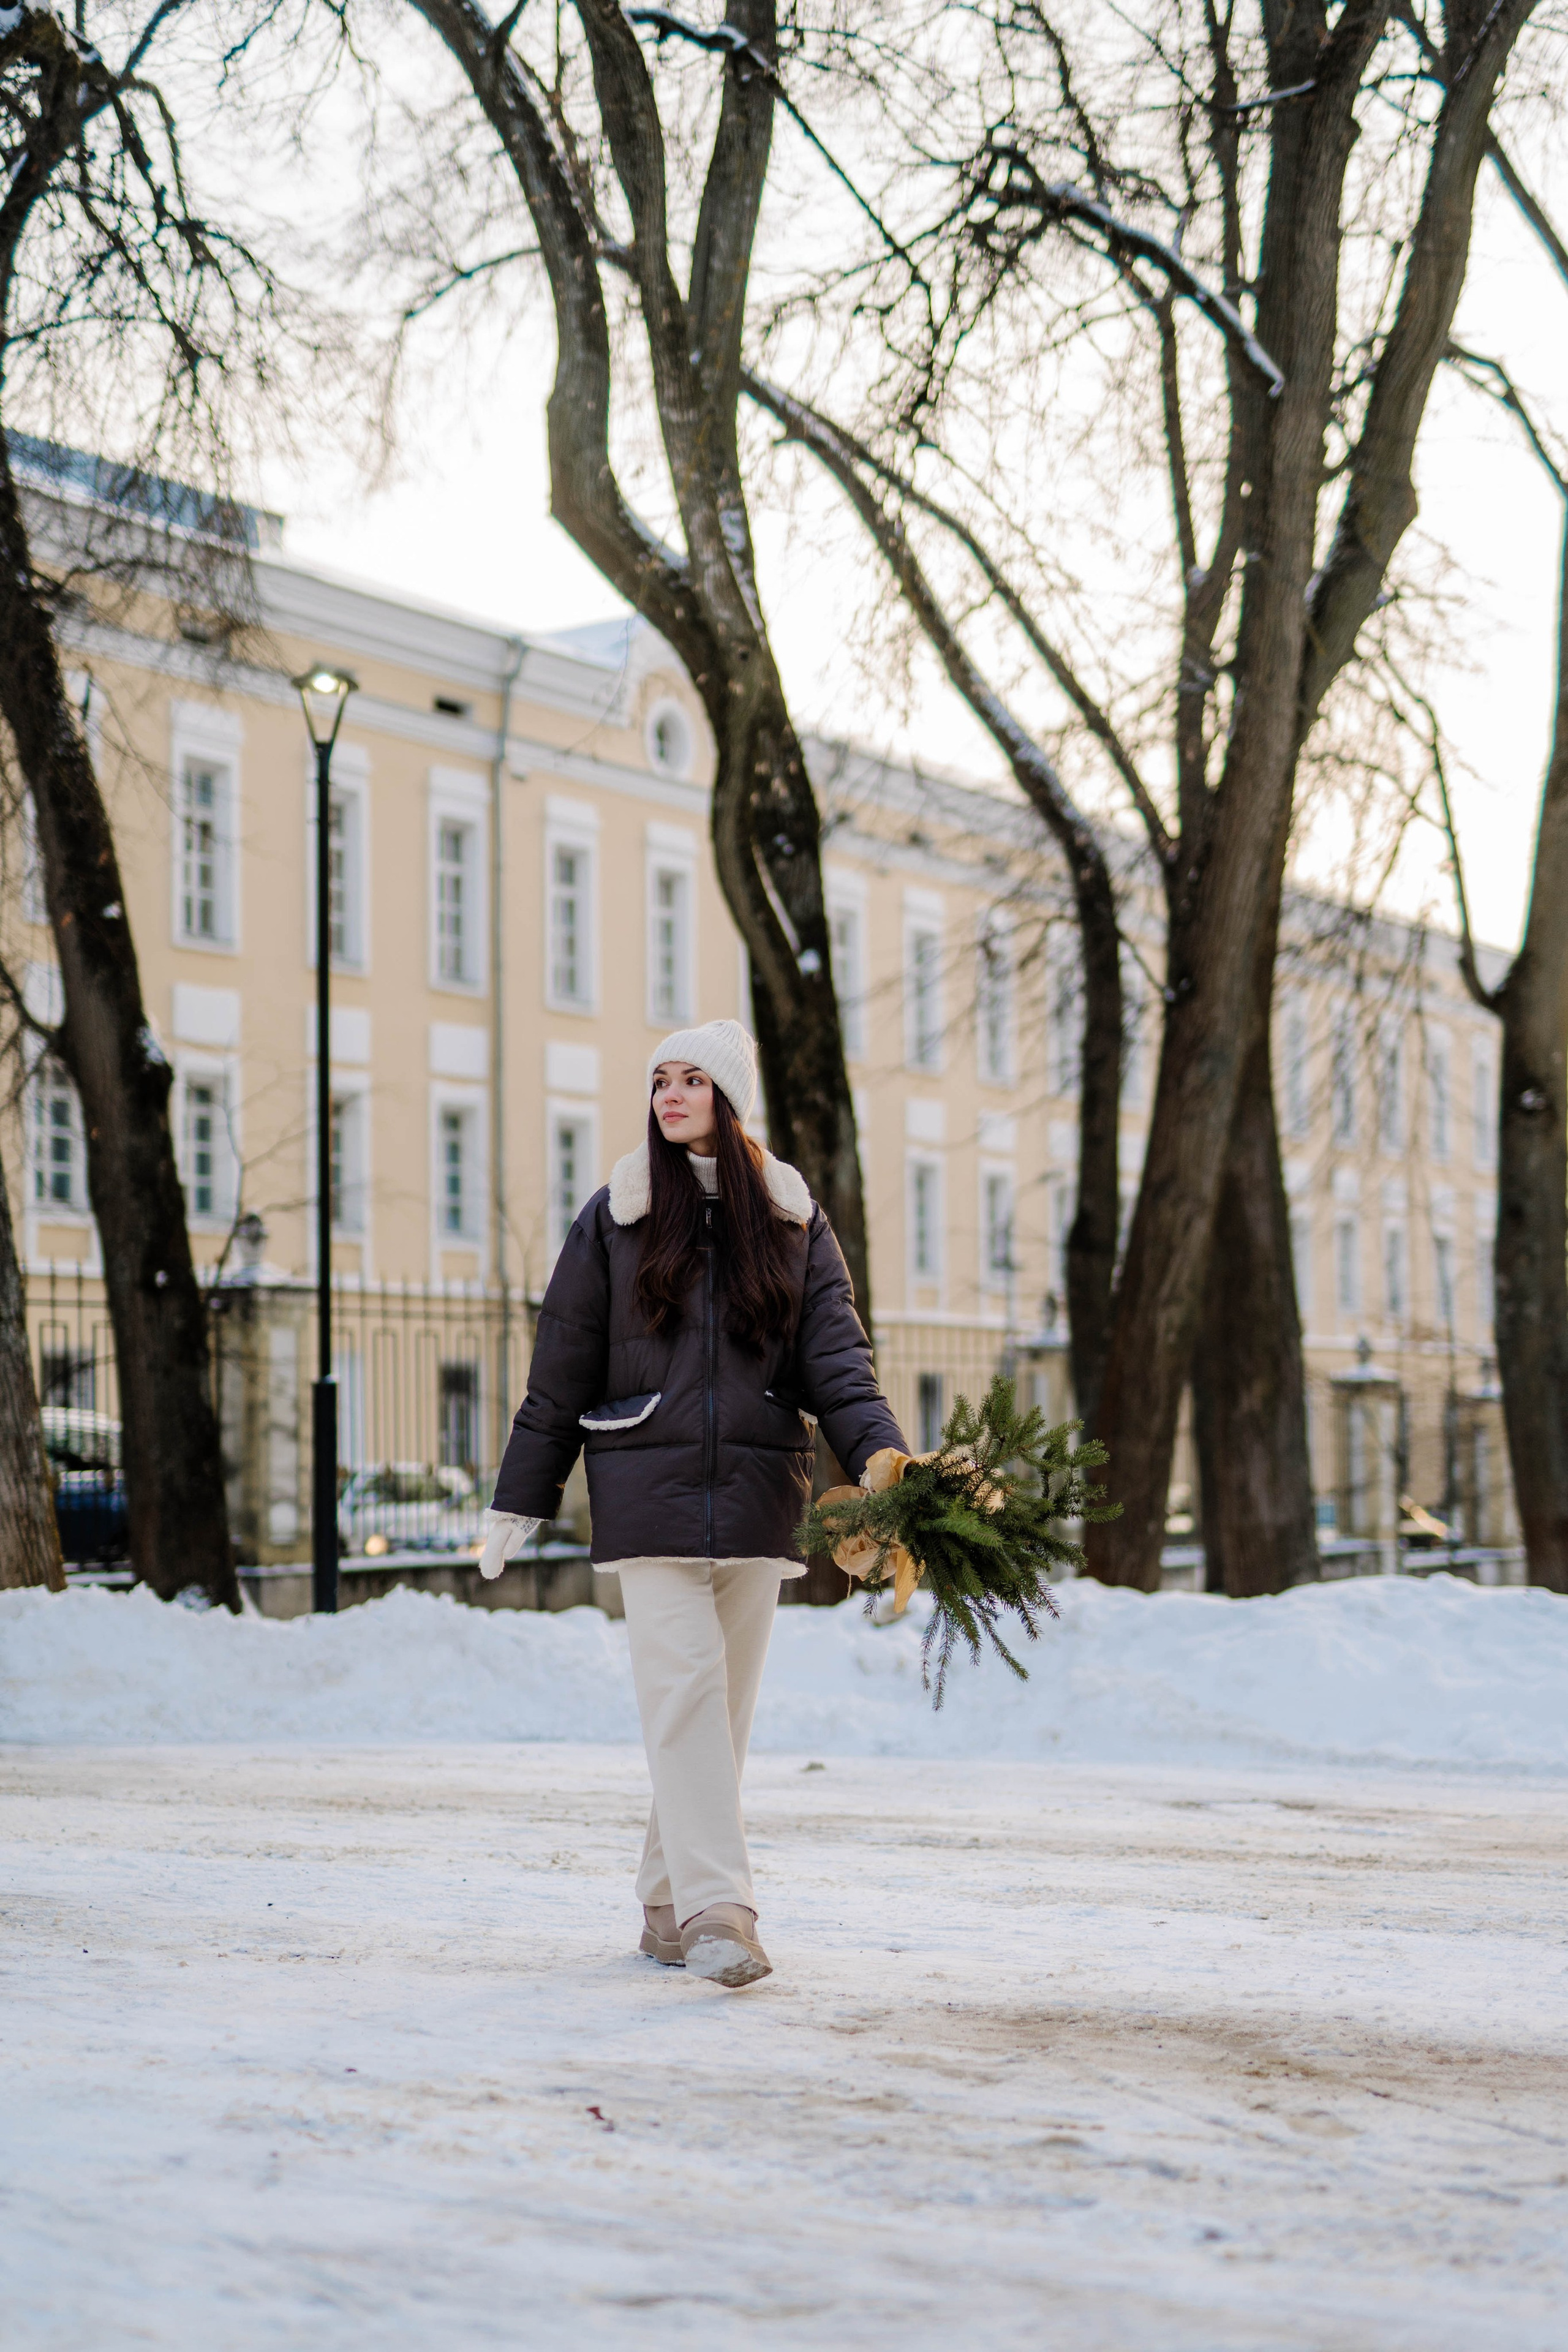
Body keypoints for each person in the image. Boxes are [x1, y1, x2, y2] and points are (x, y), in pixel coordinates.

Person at [480, 1019, 907, 1988]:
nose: (670, 1096)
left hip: (760, 1494)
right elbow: (561, 1365)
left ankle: (666, 1902)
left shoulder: (792, 1219)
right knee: (685, 1695)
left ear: (729, 1097)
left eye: (691, 1081)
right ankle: (721, 1910)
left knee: (719, 1715)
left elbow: (840, 1363)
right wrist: (521, 1495)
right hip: (646, 1491)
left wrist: (886, 1460)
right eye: (660, 1081)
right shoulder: (617, 1214)